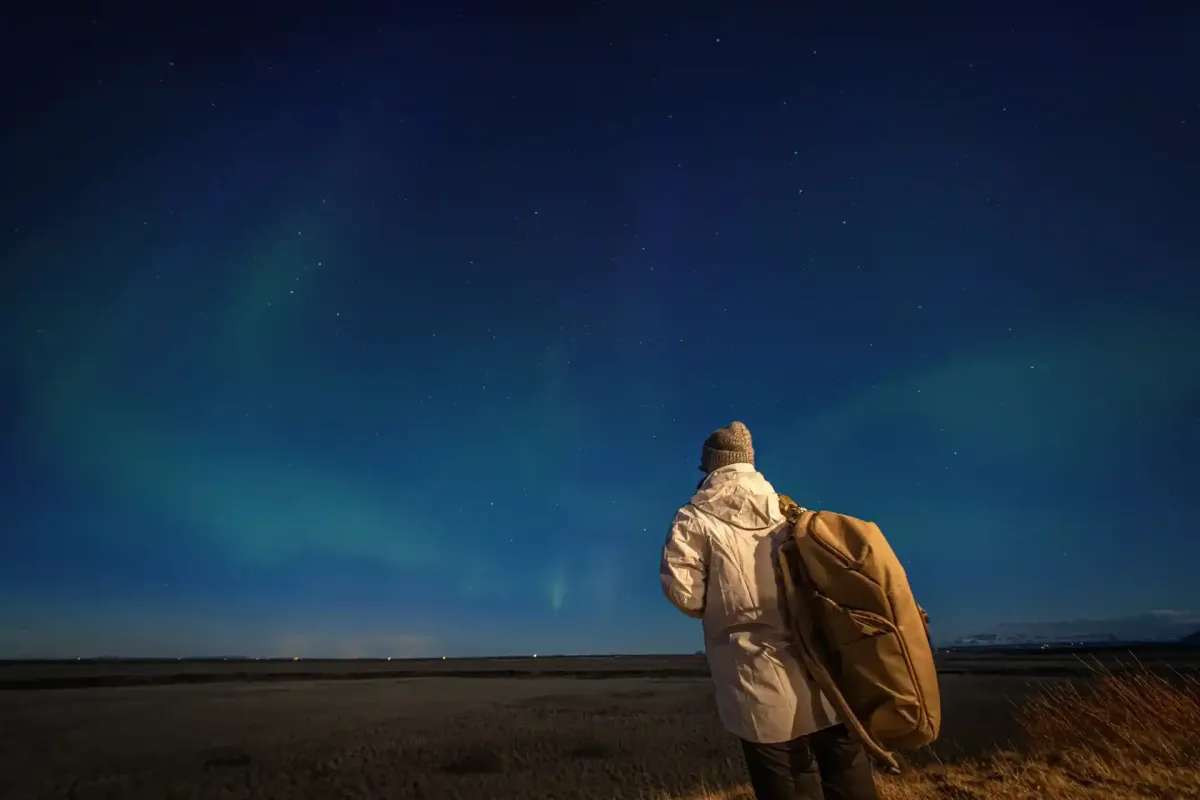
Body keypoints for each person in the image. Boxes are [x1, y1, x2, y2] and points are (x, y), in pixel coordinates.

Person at [659, 421, 880, 800]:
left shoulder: (693, 519)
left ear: (711, 465)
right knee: (848, 775)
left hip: (755, 677)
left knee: (786, 781)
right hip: (826, 673)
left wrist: (725, 604)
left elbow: (685, 595)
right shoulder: (791, 510)